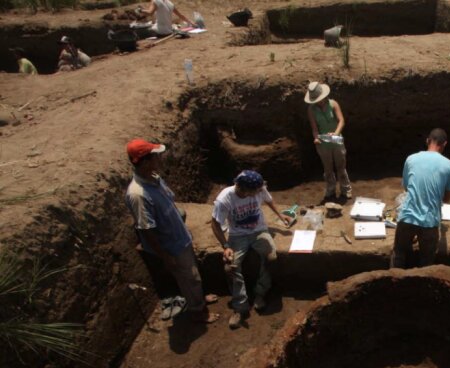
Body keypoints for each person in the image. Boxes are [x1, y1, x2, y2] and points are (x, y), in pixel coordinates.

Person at [125, 138, 218, 323]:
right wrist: (166, 257)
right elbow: (146, 230)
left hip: (179, 236)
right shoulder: (138, 195)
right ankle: (198, 311)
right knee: (188, 278)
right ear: (144, 162)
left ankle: (198, 299)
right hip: (171, 246)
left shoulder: (155, 179)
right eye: (155, 157)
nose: (160, 159)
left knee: (192, 274)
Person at [211, 170, 291, 330]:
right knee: (230, 267)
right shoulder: (225, 199)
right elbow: (215, 224)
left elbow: (268, 200)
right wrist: (225, 246)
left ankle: (260, 294)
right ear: (242, 189)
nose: (259, 193)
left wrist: (281, 216)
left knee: (271, 259)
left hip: (259, 231)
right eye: (255, 191)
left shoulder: (259, 188)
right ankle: (240, 306)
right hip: (237, 235)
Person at [391, 128, 450, 269]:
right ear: (444, 144)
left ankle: (393, 283)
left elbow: (407, 188)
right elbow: (446, 199)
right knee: (426, 263)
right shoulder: (449, 166)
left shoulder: (411, 159)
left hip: (407, 218)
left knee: (399, 254)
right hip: (429, 222)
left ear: (427, 141)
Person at [305, 81, 352, 203]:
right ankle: (330, 190)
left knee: (341, 166)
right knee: (328, 169)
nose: (318, 101)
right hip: (323, 143)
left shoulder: (333, 104)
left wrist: (335, 134)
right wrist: (316, 138)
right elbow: (314, 128)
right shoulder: (311, 109)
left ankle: (345, 189)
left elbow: (341, 121)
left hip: (336, 140)